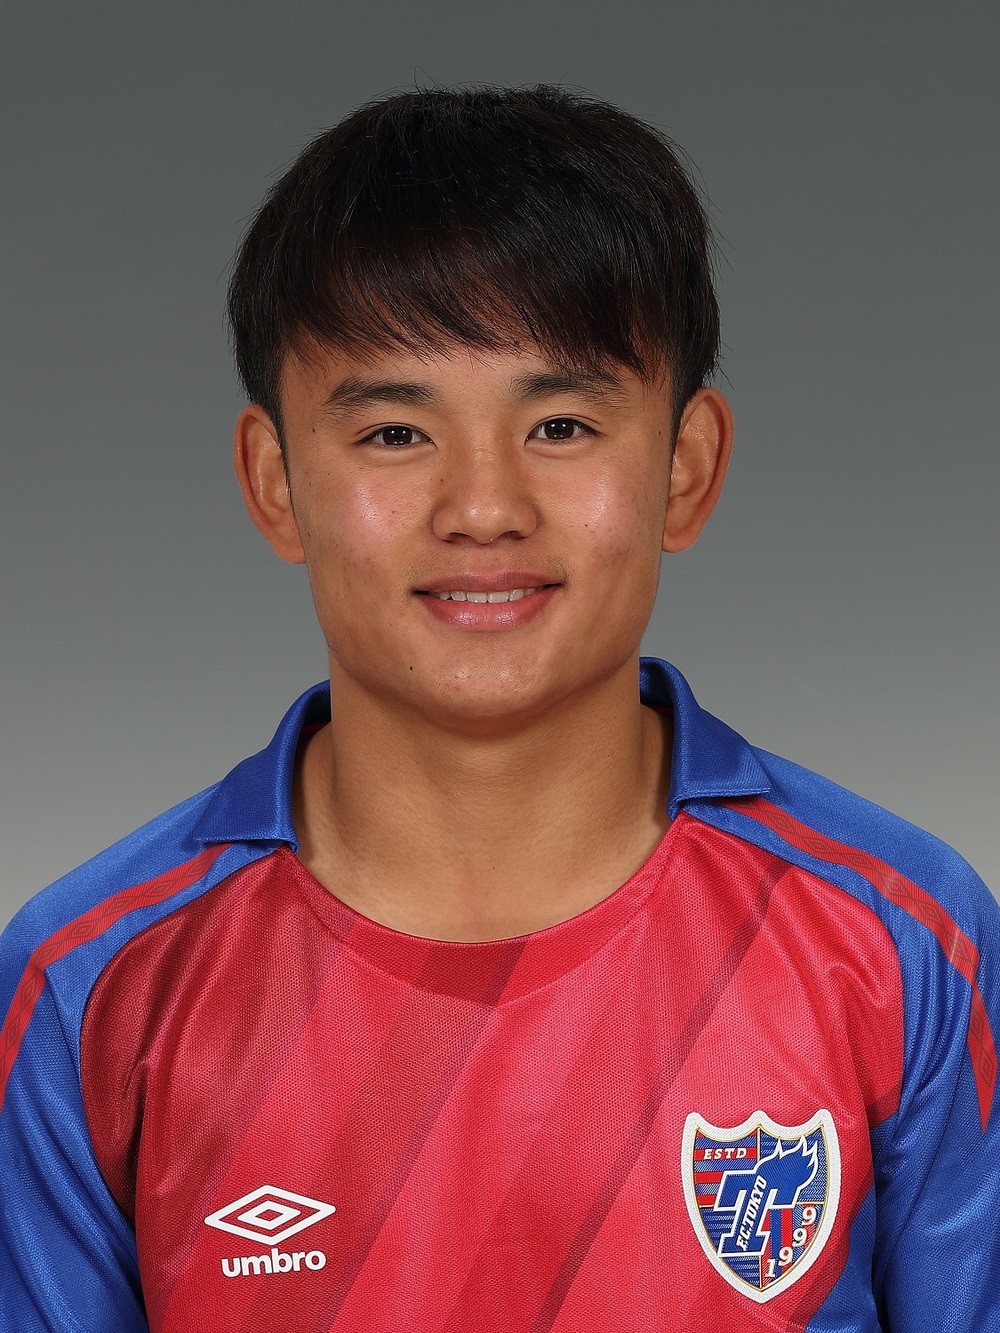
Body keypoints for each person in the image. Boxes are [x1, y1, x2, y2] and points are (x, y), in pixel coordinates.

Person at [0, 85, 997, 1333]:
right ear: (274, 482)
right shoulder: (91, 983)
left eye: (561, 424)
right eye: (394, 433)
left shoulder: (902, 939)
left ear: (686, 467)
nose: (483, 507)